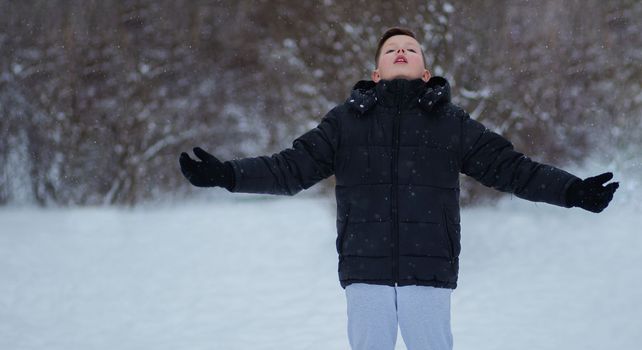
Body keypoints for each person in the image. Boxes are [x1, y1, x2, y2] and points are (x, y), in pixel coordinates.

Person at [179, 27, 619, 350]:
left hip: (428, 270)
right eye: (393, 49)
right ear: (376, 70)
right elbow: (289, 168)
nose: (402, 51)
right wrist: (228, 175)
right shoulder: (344, 122)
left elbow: (512, 168)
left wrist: (571, 191)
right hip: (364, 269)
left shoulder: (452, 123)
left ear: (426, 72)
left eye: (410, 48)